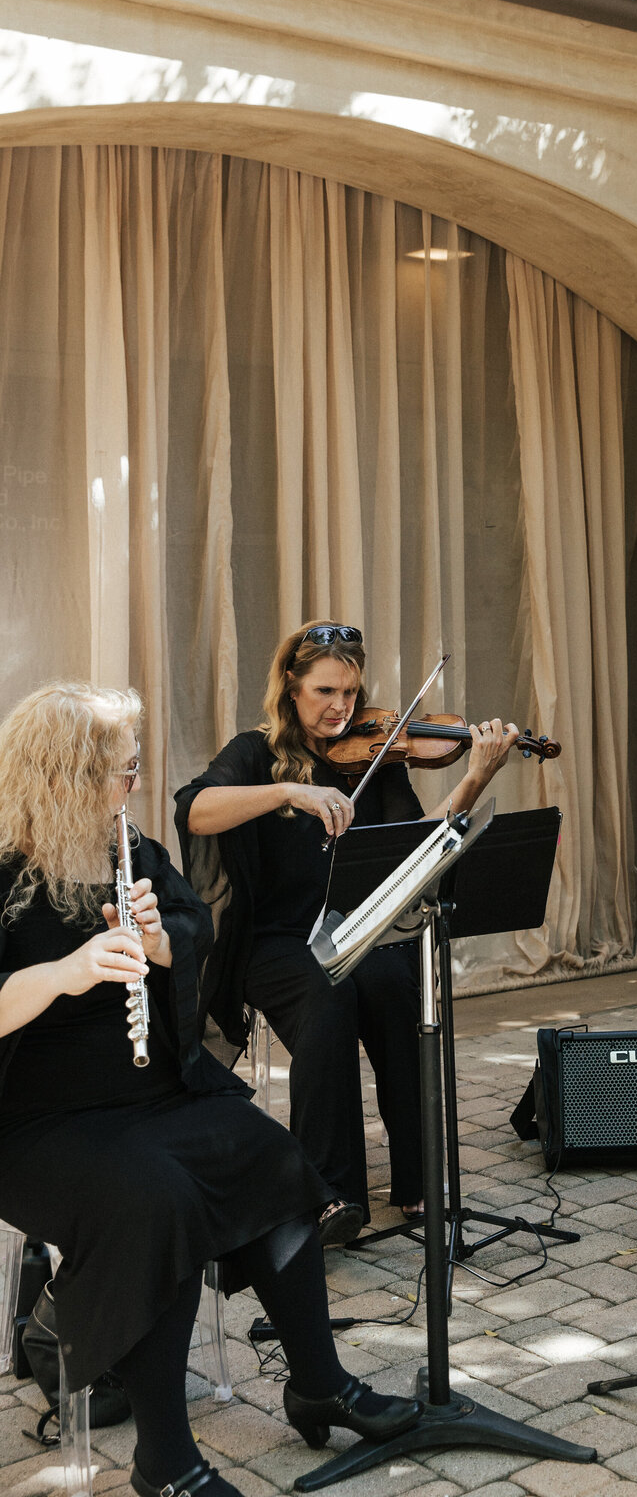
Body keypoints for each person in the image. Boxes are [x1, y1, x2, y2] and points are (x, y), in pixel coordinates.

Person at [0, 682, 421, 1497]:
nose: (133, 786)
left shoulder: (126, 847)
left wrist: (163, 943)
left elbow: (195, 923)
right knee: (156, 1201)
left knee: (271, 1154)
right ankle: (165, 1461)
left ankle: (319, 1383)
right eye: (121, 772)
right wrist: (62, 972)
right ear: (66, 777)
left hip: (152, 1096)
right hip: (38, 1124)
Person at [176, 621, 518, 1245]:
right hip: (273, 940)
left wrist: (476, 777)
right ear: (291, 686)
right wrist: (289, 791)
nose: (340, 707)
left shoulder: (376, 756)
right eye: (325, 691)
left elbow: (418, 847)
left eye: (351, 693)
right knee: (326, 996)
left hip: (352, 928)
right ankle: (328, 1191)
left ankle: (418, 1176)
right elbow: (194, 810)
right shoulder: (253, 753)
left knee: (395, 984)